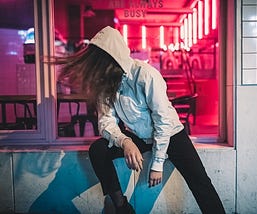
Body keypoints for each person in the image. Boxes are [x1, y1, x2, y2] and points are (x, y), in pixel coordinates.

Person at [54, 26, 225, 214]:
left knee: (200, 182)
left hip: (171, 133)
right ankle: (122, 208)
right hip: (139, 137)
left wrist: (157, 164)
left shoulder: (146, 74)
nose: (98, 71)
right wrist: (125, 141)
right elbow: (106, 122)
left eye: (100, 65)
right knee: (98, 150)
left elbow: (163, 121)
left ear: (113, 59)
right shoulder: (106, 83)